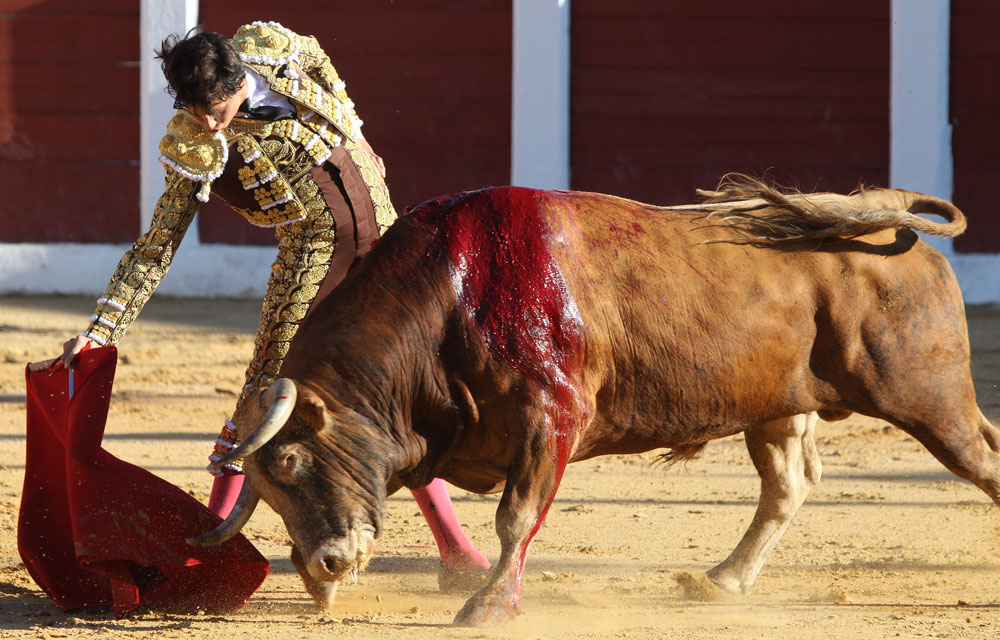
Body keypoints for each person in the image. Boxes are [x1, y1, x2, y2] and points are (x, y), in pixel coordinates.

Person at [29, 21, 488, 575]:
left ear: (239, 78)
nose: (204, 120)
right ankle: (205, 555)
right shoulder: (193, 145)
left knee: (405, 398)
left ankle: (455, 548)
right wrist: (102, 330)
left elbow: (319, 59)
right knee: (262, 401)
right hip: (312, 265)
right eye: (193, 108)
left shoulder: (272, 48)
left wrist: (358, 135)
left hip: (388, 245)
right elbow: (156, 246)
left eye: (214, 107)